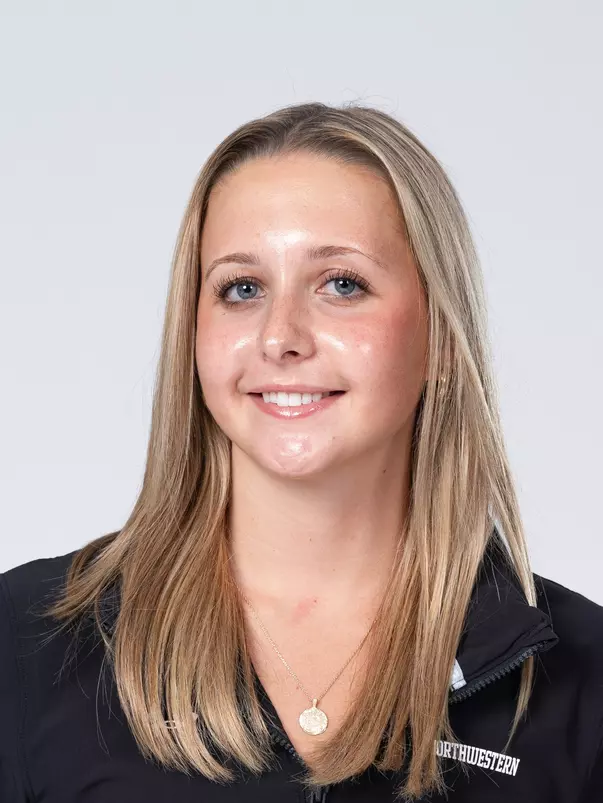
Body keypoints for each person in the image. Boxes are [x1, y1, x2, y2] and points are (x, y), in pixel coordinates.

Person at [1, 101, 602, 803]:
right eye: (241, 288)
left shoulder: (582, 680)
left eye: (342, 284)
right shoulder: (24, 645)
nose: (280, 336)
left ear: (440, 336)